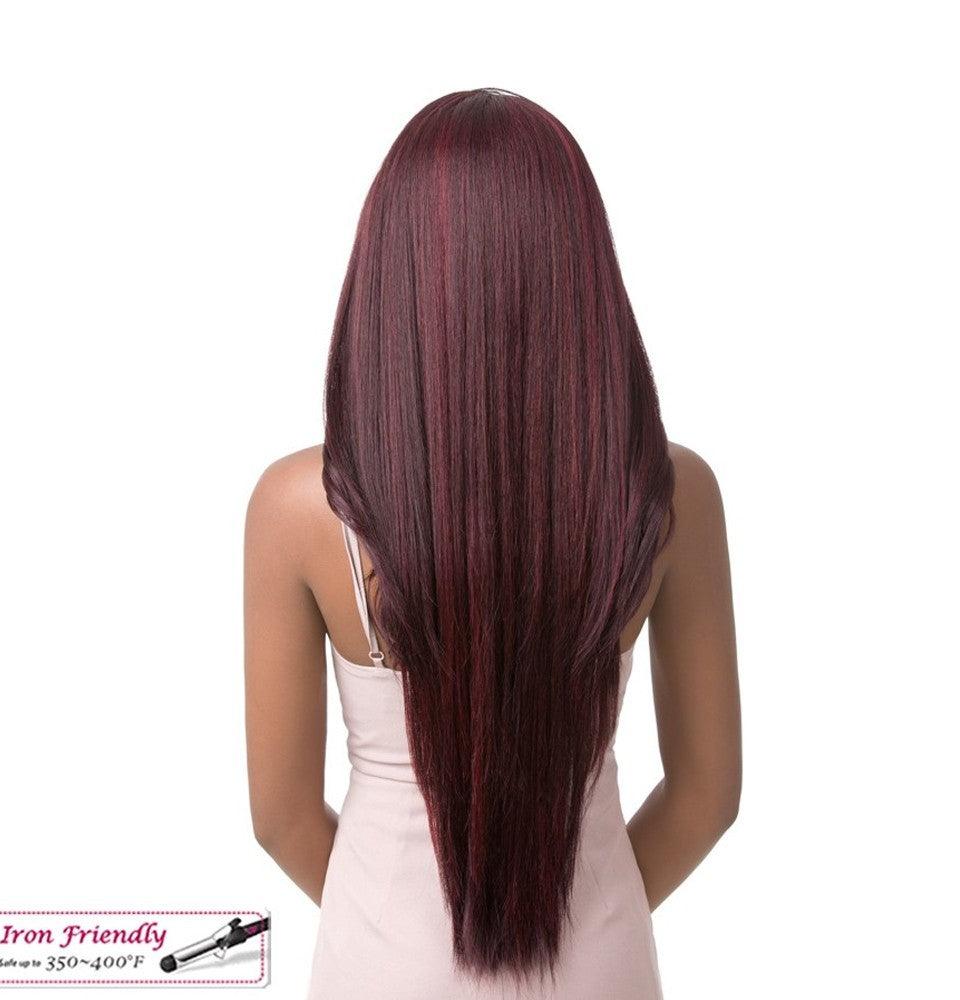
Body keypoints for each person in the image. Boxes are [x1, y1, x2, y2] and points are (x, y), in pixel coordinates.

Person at [244, 88, 741, 999]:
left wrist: (384, 922)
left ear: (390, 273)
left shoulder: (297, 509)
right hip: (601, 967)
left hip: (381, 968)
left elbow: (280, 818)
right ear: (581, 274)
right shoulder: (669, 495)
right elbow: (707, 795)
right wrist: (596, 911)